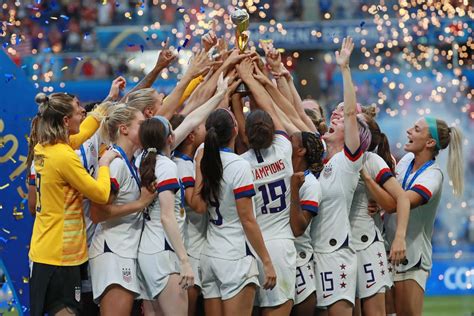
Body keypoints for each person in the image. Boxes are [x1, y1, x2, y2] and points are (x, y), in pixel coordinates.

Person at [29, 92, 117, 316]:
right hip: (61, 256)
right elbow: (100, 194)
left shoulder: (44, 148)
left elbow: (87, 130)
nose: (82, 113)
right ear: (66, 121)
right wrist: (105, 163)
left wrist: (110, 99)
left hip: (43, 251)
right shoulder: (64, 156)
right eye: (77, 110)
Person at [191, 109, 277, 316]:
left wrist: (198, 167)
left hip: (210, 253)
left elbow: (198, 206)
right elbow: (247, 219)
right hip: (235, 255)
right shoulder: (240, 165)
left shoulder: (203, 157)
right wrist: (266, 260)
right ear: (235, 130)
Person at [378, 117, 464, 316]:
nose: (408, 131)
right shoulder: (407, 160)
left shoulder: (433, 176)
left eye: (416, 129)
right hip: (387, 252)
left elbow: (400, 201)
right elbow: (391, 196)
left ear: (430, 142)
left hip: (412, 257)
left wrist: (399, 237)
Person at [88, 105, 154, 316]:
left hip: (123, 248)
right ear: (124, 129)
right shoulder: (114, 164)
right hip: (113, 250)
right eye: (141, 124)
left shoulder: (129, 162)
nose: (146, 129)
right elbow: (97, 213)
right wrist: (140, 204)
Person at [137, 116, 195, 316]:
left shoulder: (140, 160)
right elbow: (167, 217)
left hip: (147, 251)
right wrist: (185, 261)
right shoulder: (167, 166)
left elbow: (192, 118)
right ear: (170, 138)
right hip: (164, 251)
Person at [288, 131, 325, 316]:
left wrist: (294, 190)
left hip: (300, 264)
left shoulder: (311, 184)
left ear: (301, 150)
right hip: (281, 258)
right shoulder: (283, 172)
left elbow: (298, 229)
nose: (285, 142)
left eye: (290, 140)